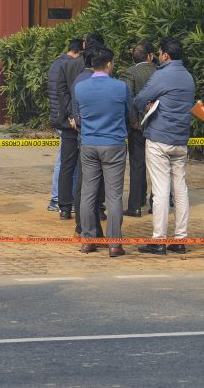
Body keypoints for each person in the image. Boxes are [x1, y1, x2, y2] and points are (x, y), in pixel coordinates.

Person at [134, 38, 195, 255]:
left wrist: (148, 104)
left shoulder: (162, 74)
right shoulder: (188, 77)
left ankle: (159, 239)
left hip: (159, 138)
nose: (159, 57)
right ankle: (180, 239)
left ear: (165, 56)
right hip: (181, 140)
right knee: (180, 189)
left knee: (160, 190)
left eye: (160, 53)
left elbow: (140, 99)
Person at [73, 47, 130, 257]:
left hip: (88, 143)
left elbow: (78, 116)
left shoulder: (81, 88)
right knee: (114, 195)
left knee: (88, 193)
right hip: (113, 144)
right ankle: (114, 244)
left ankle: (88, 240)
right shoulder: (120, 87)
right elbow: (127, 113)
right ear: (108, 64)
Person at [56, 33, 106, 226]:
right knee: (97, 167)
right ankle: (98, 207)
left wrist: (71, 116)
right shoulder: (101, 67)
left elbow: (61, 91)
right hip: (94, 124)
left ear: (84, 45)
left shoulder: (68, 65)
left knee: (67, 164)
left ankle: (65, 207)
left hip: (70, 124)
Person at [120, 41, 157, 217]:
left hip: (137, 127)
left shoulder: (130, 72)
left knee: (137, 164)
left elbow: (127, 99)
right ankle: (154, 204)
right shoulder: (160, 72)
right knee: (157, 167)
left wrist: (133, 121)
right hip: (157, 126)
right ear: (150, 56)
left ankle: (135, 205)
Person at [47, 38, 82, 212]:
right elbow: (66, 94)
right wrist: (71, 115)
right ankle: (58, 198)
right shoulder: (71, 67)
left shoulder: (56, 64)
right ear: (78, 52)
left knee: (65, 160)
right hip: (66, 118)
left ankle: (60, 198)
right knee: (65, 161)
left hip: (57, 115)